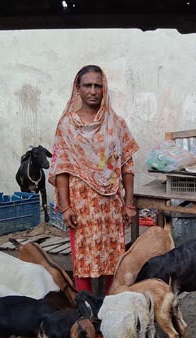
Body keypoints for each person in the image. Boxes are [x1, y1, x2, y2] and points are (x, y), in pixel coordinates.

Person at [48, 65, 139, 293]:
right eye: (87, 85)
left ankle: (111, 305)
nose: (93, 91)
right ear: (77, 88)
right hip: (81, 204)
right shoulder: (67, 126)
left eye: (98, 86)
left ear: (104, 88)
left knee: (113, 257)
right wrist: (66, 207)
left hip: (111, 203)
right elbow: (62, 169)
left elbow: (126, 164)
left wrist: (129, 204)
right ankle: (85, 307)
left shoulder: (115, 123)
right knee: (83, 258)